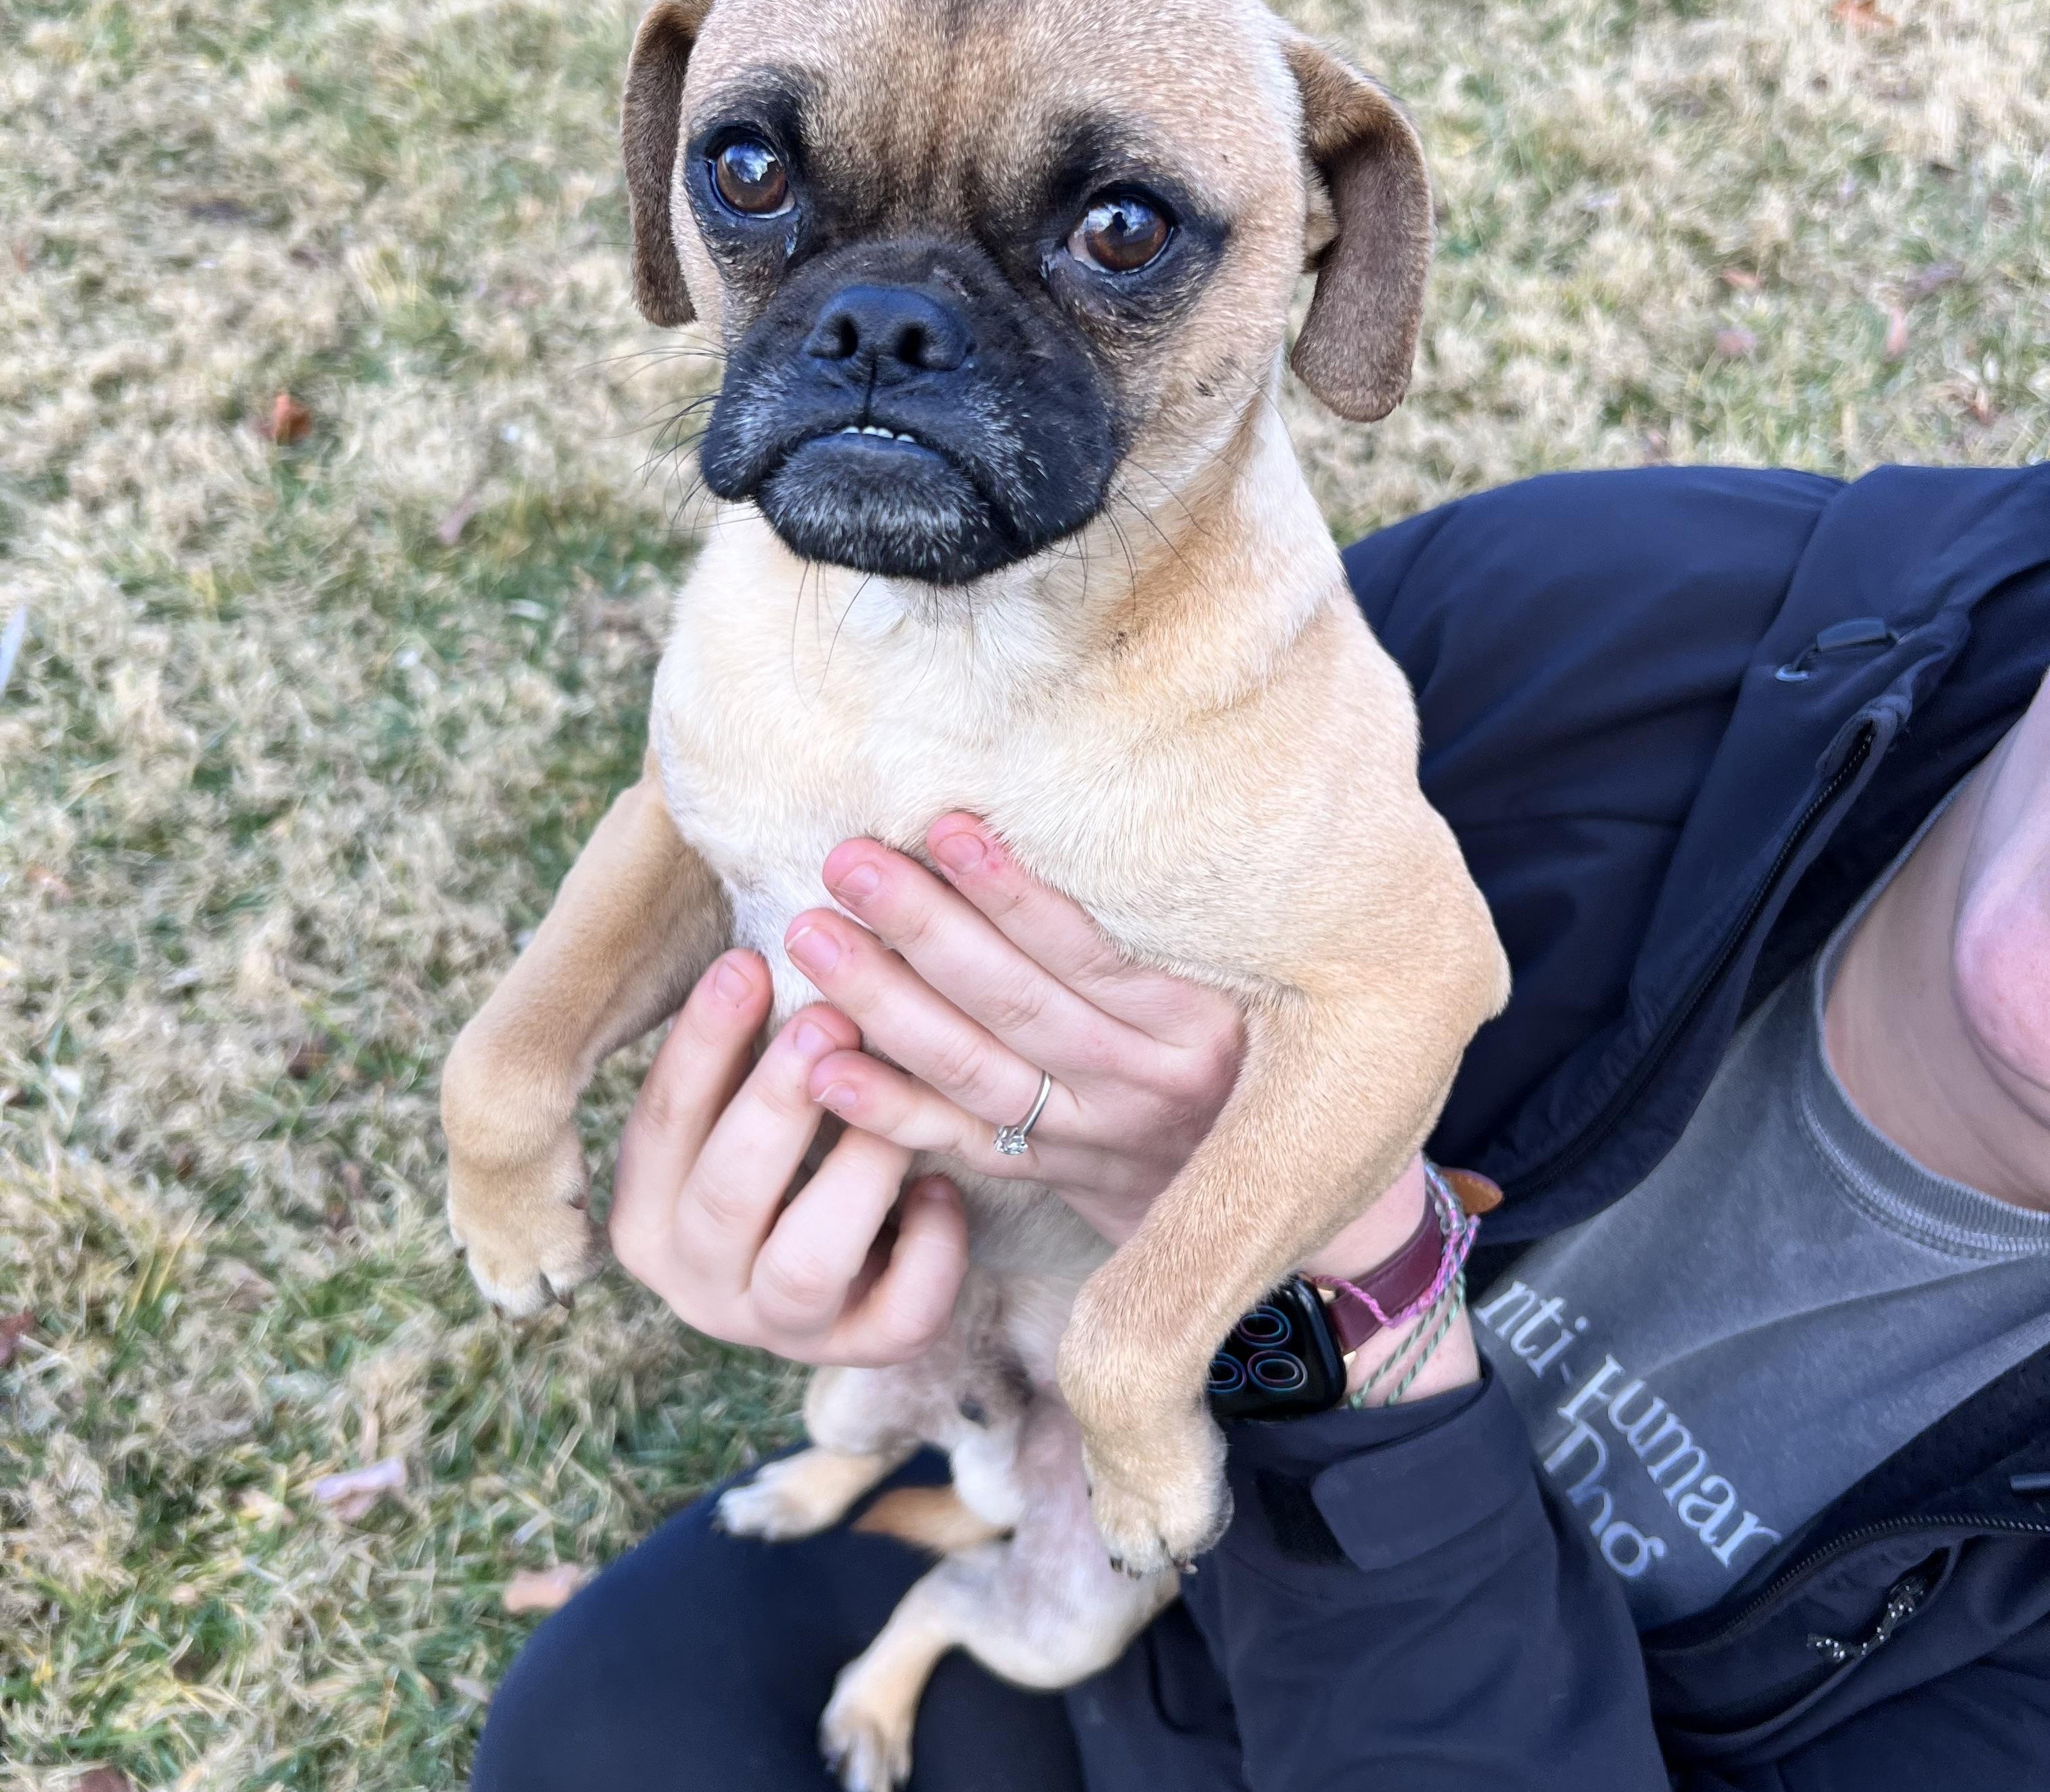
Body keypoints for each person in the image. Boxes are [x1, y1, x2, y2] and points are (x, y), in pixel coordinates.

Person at [470, 461, 2050, 1789]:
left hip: (1419, 1718)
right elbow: (794, 851)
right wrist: (824, 1178)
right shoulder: (1600, 615)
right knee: (613, 1726)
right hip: (1091, 1542)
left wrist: (1328, 1273)